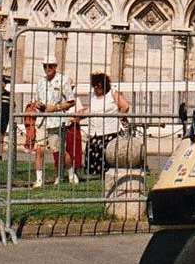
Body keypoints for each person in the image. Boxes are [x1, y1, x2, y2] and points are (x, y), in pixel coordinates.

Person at [31, 53, 75, 188]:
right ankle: (39, 180)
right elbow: (35, 99)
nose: (47, 68)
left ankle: (70, 173)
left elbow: (71, 101)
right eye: (45, 66)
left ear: (55, 66)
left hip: (56, 120)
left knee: (58, 151)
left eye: (50, 66)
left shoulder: (64, 80)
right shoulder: (40, 82)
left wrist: (55, 107)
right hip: (42, 120)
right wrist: (37, 104)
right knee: (39, 149)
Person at [83, 71, 130, 175]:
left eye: (99, 85)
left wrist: (119, 117)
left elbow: (125, 106)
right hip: (94, 133)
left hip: (110, 132)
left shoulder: (112, 93)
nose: (96, 88)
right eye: (94, 86)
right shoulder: (93, 96)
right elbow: (89, 110)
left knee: (107, 155)